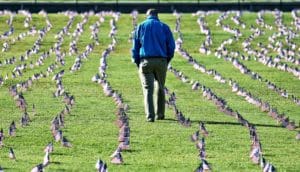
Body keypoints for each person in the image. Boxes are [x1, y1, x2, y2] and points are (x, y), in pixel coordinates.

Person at [132, 9, 175, 122]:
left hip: (146, 61)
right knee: (160, 87)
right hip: (161, 61)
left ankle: (150, 116)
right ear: (157, 15)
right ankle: (160, 114)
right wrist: (167, 59)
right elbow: (171, 46)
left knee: (148, 89)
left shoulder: (141, 26)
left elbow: (135, 47)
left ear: (147, 16)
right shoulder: (164, 27)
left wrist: (138, 62)